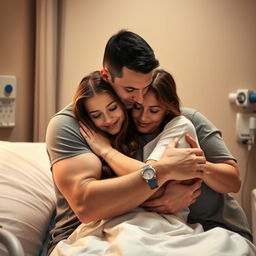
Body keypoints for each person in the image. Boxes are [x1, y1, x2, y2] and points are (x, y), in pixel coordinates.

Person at [46, 30, 252, 253]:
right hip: (106, 231)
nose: (140, 99)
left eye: (146, 87)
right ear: (106, 76)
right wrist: (163, 187)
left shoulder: (183, 120)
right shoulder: (75, 126)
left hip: (201, 228)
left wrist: (194, 171)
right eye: (131, 90)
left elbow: (233, 180)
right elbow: (88, 205)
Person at [46, 71, 205, 254]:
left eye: (113, 108)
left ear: (124, 104)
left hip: (154, 225)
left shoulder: (170, 127)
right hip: (103, 227)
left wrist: (108, 152)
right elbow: (87, 208)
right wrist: (165, 171)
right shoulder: (80, 134)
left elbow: (154, 183)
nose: (108, 120)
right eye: (96, 115)